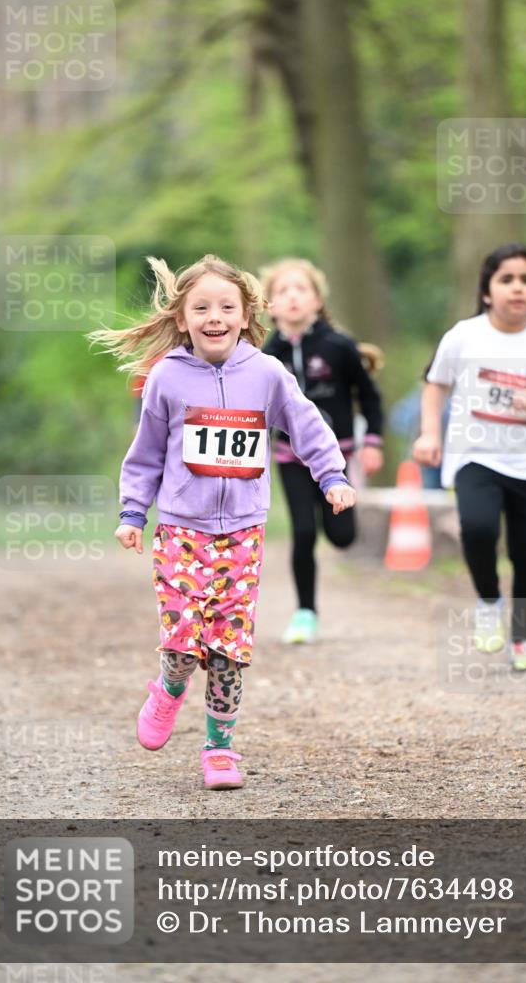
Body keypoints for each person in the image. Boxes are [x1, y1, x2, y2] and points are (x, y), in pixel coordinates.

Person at [88, 254, 355, 789]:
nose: (215, 316)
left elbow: (306, 424)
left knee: (229, 649)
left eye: (226, 306)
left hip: (242, 532)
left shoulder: (266, 373)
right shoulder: (166, 378)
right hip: (181, 532)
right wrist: (132, 513)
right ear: (182, 318)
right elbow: (145, 454)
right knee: (185, 644)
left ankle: (220, 750)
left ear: (245, 313)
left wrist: (332, 476)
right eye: (202, 307)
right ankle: (168, 688)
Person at [413, 244, 526, 671]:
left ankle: (524, 639)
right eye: (506, 279)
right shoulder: (463, 336)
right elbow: (435, 384)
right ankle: (489, 600)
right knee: (477, 528)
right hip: (474, 456)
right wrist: (430, 433)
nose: (517, 288)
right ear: (487, 291)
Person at [261, 258, 384, 644]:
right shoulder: (265, 354)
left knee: (342, 537)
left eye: (302, 289)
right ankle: (305, 613)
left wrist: (374, 442)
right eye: (283, 291)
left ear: (317, 301)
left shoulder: (338, 346)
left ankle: (342, 520)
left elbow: (369, 396)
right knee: (301, 531)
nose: (293, 297)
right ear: (270, 305)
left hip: (337, 457)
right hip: (290, 456)